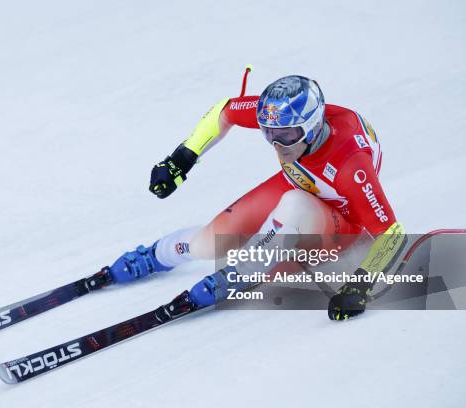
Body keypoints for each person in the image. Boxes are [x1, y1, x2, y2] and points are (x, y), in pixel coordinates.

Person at [107, 68, 406, 321]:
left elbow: (392, 232)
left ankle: (241, 271)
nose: (277, 144)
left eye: (286, 135)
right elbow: (226, 111)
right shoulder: (282, 118)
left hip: (341, 221)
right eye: (268, 133)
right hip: (303, 181)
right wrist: (182, 157)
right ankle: (157, 254)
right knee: (210, 243)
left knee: (295, 205)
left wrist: (359, 286)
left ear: (312, 127)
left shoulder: (351, 166)